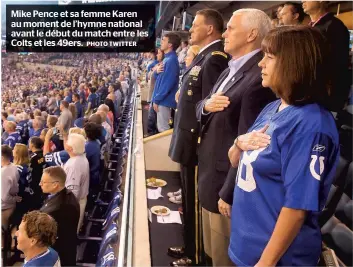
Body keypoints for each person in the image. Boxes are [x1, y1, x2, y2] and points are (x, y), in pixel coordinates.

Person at [228, 26, 339, 267]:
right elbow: (235, 159)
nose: (260, 64)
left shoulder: (312, 125)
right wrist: (239, 143)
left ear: (293, 63)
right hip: (246, 246)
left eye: (269, 57)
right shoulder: (273, 108)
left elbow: (297, 208)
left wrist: (265, 263)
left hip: (278, 259)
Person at [195, 9, 276, 266]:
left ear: (252, 34)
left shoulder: (258, 80)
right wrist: (206, 105)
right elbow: (202, 104)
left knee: (221, 256)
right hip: (209, 175)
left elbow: (249, 142)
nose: (225, 33)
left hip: (224, 186)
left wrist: (228, 192)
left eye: (230, 28)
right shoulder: (231, 67)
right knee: (209, 251)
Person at [168, 8, 230, 266]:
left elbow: (211, 109)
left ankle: (193, 254)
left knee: (194, 201)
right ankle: (188, 245)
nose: (191, 30)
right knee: (188, 195)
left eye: (195, 26)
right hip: (187, 139)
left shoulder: (215, 58)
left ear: (209, 29)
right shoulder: (203, 56)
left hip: (195, 143)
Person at [303, 1, 350, 112]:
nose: (302, 1)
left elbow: (338, 64)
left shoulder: (334, 26)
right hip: (309, 88)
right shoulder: (309, 27)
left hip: (325, 92)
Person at [40, 166, 80, 267]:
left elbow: (62, 237)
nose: (40, 184)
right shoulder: (60, 196)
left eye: (44, 182)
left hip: (59, 257)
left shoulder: (64, 206)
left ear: (55, 185)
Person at [149, 32, 181, 134]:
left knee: (163, 131)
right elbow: (158, 78)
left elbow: (167, 84)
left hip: (164, 101)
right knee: (160, 128)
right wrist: (155, 71)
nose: (161, 42)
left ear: (170, 44)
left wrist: (157, 99)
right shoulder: (167, 59)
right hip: (161, 100)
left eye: (163, 40)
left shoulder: (171, 60)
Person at [63, 133, 90, 233]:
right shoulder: (80, 158)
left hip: (75, 204)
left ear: (70, 148)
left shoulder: (73, 165)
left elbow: (73, 192)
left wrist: (66, 210)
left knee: (70, 233)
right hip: (80, 200)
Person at [1, 145, 19, 230]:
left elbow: (4, 197)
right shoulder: (13, 166)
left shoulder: (3, 173)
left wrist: (15, 199)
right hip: (10, 205)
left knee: (3, 234)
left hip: (5, 208)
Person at [28, 137, 46, 210]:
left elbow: (29, 171)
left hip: (34, 184)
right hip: (43, 181)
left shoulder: (32, 157)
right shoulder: (44, 154)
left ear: (32, 145)